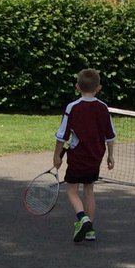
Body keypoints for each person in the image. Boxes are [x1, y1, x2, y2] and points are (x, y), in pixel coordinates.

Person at [54, 68, 116, 243]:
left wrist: (57, 156)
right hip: (95, 156)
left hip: (78, 156)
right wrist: (110, 156)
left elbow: (62, 134)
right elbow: (110, 135)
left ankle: (83, 218)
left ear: (77, 87)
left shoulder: (72, 107)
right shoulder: (103, 107)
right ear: (99, 88)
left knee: (72, 190)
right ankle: (90, 231)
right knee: (89, 189)